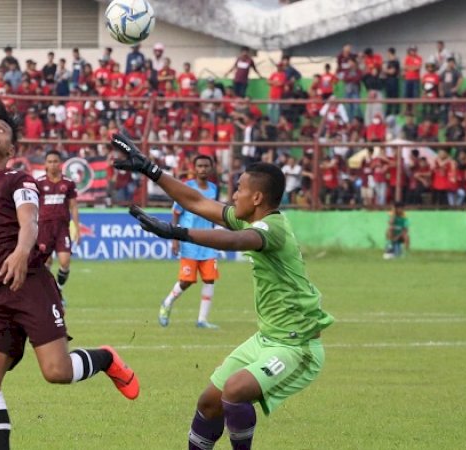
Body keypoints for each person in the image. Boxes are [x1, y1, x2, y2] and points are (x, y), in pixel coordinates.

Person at [0, 100, 139, 450]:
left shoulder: (18, 180)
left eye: (1, 129)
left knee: (57, 372)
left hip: (29, 284)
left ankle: (106, 357)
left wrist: (21, 253)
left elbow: (29, 221)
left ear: (11, 148)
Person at [111, 133, 334, 450]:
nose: (234, 194)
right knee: (209, 403)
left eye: (240, 189)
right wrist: (150, 169)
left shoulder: (272, 229)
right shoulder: (251, 221)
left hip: (296, 346)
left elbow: (236, 242)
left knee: (234, 390)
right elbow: (197, 202)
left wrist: (176, 231)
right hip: (266, 339)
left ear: (256, 198)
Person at [159, 154, 220, 329]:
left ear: (211, 168)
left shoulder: (214, 189)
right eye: (200, 166)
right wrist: (175, 238)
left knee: (209, 279)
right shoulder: (187, 187)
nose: (203, 169)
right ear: (194, 169)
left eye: (206, 166)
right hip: (190, 240)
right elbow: (177, 212)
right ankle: (167, 303)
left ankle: (202, 320)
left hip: (208, 242)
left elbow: (214, 213)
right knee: (187, 281)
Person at [36, 150, 81, 305]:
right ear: (45, 165)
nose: (53, 164)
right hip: (44, 228)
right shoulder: (39, 183)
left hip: (62, 228)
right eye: (50, 161)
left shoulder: (68, 183)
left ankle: (58, 290)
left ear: (60, 163)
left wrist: (77, 227)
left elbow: (73, 206)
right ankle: (49, 293)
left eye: (55, 161)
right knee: (45, 263)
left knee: (65, 261)